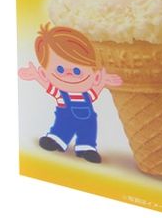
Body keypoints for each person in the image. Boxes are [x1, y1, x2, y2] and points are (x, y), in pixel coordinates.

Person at [18, 23, 122, 162]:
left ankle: (87, 147)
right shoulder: (61, 94)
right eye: (60, 70)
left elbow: (94, 94)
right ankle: (56, 139)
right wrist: (37, 77)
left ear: (95, 74)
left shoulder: (86, 95)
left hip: (88, 121)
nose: (69, 74)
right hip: (66, 120)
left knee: (88, 132)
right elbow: (49, 87)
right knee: (62, 127)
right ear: (44, 73)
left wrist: (102, 82)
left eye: (77, 71)